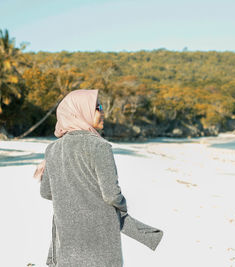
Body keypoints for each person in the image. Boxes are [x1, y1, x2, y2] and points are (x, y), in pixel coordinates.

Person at [35, 89, 162, 267]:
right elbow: (111, 195)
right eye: (97, 107)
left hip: (67, 245)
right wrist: (122, 207)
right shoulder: (99, 147)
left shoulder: (52, 149)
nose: (102, 111)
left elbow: (46, 192)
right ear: (80, 110)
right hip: (99, 242)